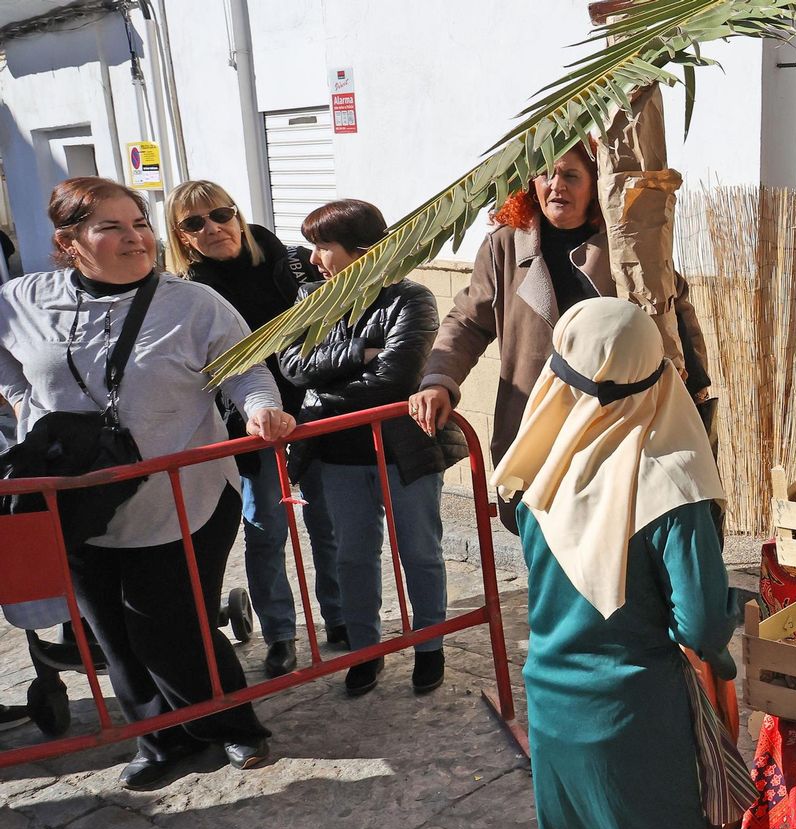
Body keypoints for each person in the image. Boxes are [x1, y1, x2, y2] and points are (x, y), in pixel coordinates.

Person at [0, 177, 291, 788]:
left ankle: (231, 727)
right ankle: (161, 741)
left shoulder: (194, 304)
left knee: (170, 623)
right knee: (111, 631)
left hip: (182, 491)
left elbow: (247, 372)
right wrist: (21, 400)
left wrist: (262, 408)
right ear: (68, 241)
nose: (136, 238)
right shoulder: (21, 299)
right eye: (112, 227)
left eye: (140, 223)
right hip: (75, 498)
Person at [491, 297, 739, 829]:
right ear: (659, 376)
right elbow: (702, 625)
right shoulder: (672, 485)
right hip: (638, 719)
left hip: (552, 707)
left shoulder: (540, 471)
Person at [409, 143, 716, 533]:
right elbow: (469, 321)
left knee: (613, 540)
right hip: (537, 424)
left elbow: (675, 314)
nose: (556, 186)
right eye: (545, 174)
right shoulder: (504, 244)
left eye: (571, 176)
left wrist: (695, 389)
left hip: (614, 423)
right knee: (542, 537)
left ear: (595, 186)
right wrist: (439, 380)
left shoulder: (628, 247)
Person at [278, 199, 465, 697]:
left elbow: (395, 379)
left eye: (323, 247)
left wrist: (328, 380)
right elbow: (292, 367)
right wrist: (361, 354)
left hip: (406, 449)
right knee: (353, 557)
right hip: (337, 452)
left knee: (420, 551)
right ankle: (366, 650)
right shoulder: (310, 298)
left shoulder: (411, 299)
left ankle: (430, 645)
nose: (314, 258)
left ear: (362, 253)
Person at [166, 179, 341, 677]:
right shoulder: (189, 294)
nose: (213, 228)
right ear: (181, 238)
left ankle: (341, 619)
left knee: (327, 524)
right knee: (266, 532)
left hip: (313, 415)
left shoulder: (287, 261)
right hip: (251, 429)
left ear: (237, 214)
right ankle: (281, 634)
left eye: (221, 214)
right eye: (194, 223)